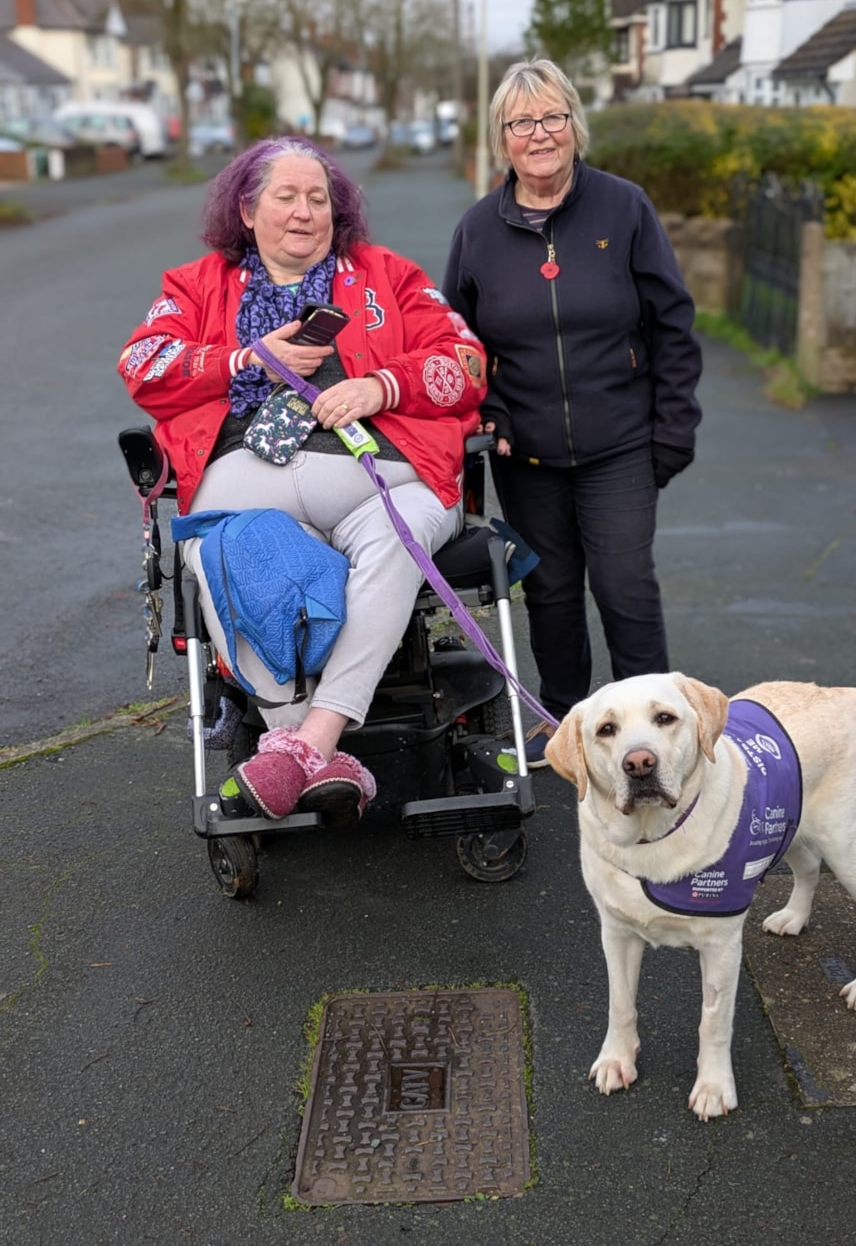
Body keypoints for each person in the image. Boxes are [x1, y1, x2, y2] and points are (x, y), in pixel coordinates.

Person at [119, 135, 486, 820]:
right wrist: (242, 359)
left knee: (400, 531)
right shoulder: (196, 287)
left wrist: (382, 385)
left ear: (336, 212)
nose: (303, 212)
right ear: (248, 211)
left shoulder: (390, 276)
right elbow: (143, 363)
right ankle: (304, 744)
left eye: (318, 198)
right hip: (245, 478)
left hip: (380, 473)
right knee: (219, 546)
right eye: (285, 197)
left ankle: (304, 741)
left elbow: (464, 362)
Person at [443, 59, 702, 769]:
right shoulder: (477, 231)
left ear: (574, 125)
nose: (540, 133)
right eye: (522, 122)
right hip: (524, 455)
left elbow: (673, 325)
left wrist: (673, 430)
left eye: (553, 117)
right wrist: (488, 409)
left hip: (621, 444)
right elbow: (457, 346)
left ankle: (657, 735)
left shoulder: (624, 209)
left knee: (623, 586)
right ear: (503, 138)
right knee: (551, 595)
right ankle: (565, 727)